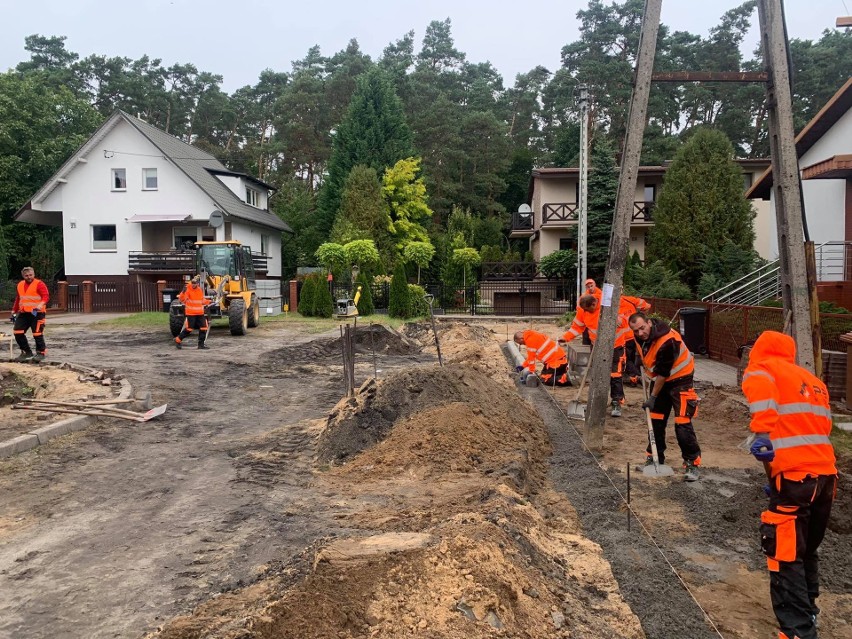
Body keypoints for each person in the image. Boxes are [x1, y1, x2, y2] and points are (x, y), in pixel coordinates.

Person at [741, 331, 837, 639]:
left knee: (784, 554)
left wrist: (762, 433)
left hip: (796, 479)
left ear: (760, 350)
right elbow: (817, 429)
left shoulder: (763, 369)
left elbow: (763, 399)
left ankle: (797, 630)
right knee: (806, 549)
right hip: (825, 478)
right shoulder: (812, 382)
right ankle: (809, 611)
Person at [628, 311, 701, 481]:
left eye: (642, 328)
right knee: (655, 419)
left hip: (680, 379)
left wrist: (652, 397)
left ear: (649, 323)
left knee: (682, 423)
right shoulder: (639, 336)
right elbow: (641, 355)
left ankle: (692, 463)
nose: (640, 333)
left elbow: (663, 373)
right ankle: (655, 458)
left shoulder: (668, 340)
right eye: (636, 330)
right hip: (661, 379)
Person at [561, 294, 631, 416]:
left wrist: (619, 320)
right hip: (597, 347)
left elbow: (626, 320)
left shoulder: (609, 305)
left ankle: (617, 402)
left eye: (588, 309)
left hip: (615, 346)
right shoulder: (583, 311)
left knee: (615, 375)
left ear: (594, 304)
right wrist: (565, 338)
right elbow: (577, 327)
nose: (586, 312)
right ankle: (596, 402)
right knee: (597, 374)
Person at [10, 266, 49, 363]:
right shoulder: (20, 285)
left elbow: (46, 296)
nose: (29, 277)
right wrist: (14, 310)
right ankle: (26, 352)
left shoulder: (39, 284)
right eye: (26, 275)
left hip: (37, 313)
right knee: (17, 332)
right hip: (23, 313)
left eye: (30, 275)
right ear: (23, 276)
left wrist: (41, 304)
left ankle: (41, 352)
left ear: (34, 274)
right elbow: (19, 298)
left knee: (37, 333)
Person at [620, 292, 651, 386]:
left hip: (625, 338)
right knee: (632, 358)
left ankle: (637, 377)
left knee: (627, 360)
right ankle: (634, 378)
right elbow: (646, 306)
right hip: (636, 335)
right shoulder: (630, 299)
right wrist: (641, 315)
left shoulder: (611, 304)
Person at [174, 276, 211, 350]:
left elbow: (201, 300)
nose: (194, 284)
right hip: (191, 313)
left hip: (200, 313)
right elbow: (182, 300)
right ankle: (178, 340)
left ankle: (201, 345)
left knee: (204, 327)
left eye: (195, 283)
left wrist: (209, 301)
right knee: (189, 329)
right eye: (193, 283)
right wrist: (183, 292)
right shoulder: (187, 289)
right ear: (191, 283)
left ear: (197, 283)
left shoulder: (199, 290)